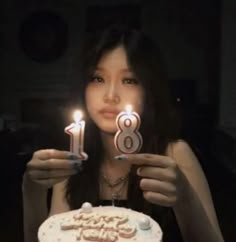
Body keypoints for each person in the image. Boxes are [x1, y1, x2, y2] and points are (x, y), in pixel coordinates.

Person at [23, 26, 224, 242]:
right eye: (97, 79)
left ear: (149, 90)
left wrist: (185, 198)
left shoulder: (175, 154)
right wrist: (32, 190)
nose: (110, 95)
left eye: (129, 80)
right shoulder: (71, 163)